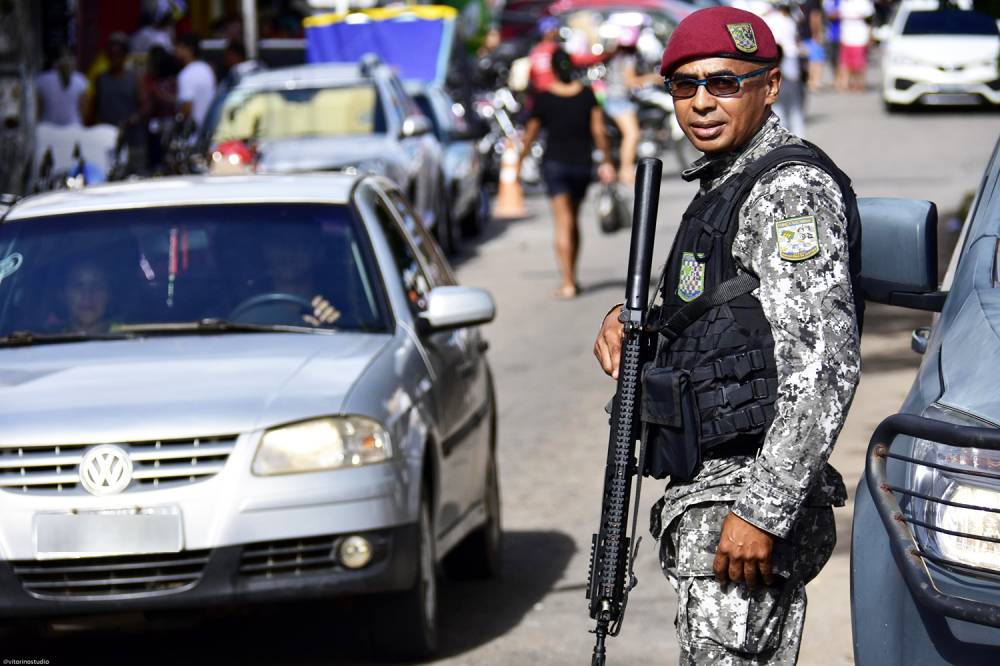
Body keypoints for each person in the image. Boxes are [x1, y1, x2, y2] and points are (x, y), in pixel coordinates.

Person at [593, 7, 863, 664]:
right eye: (685, 87)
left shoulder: (788, 189)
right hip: (710, 494)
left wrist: (763, 509)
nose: (702, 102)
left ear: (769, 87)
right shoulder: (726, 183)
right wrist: (634, 321)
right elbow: (713, 314)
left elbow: (824, 361)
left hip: (742, 499)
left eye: (724, 82)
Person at [520, 49, 616, 300]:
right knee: (572, 221)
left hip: (555, 165)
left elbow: (530, 133)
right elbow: (599, 131)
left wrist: (519, 159)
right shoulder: (586, 95)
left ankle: (568, 281)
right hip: (581, 165)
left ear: (551, 69)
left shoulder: (544, 98)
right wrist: (607, 161)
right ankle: (572, 276)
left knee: (563, 222)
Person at [602, 26, 663, 185]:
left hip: (613, 100)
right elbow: (630, 82)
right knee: (632, 135)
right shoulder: (629, 58)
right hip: (620, 101)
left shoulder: (616, 57)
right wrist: (653, 78)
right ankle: (625, 171)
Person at [90, 32, 147, 172]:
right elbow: (94, 109)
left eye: (118, 54)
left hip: (132, 140)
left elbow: (145, 105)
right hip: (107, 139)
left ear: (124, 56)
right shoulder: (101, 79)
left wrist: (134, 119)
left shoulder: (134, 78)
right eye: (111, 54)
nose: (114, 58)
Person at [764, 1, 806, 136]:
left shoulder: (787, 18)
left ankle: (789, 135)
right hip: (783, 61)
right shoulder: (778, 19)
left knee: (785, 104)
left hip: (786, 60)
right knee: (786, 104)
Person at [175, 32, 216, 131]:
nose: (175, 50)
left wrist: (177, 123)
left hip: (195, 133)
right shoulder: (207, 68)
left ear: (189, 49)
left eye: (179, 47)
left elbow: (187, 107)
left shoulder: (186, 74)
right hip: (210, 128)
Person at [36, 50, 88, 126]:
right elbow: (83, 110)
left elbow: (39, 110)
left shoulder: (42, 79)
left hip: (48, 129)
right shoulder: (80, 80)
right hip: (73, 128)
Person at [61, 261, 112, 334]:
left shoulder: (129, 336)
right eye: (78, 285)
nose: (87, 294)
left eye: (97, 285)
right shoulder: (47, 339)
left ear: (108, 295)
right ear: (64, 295)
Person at [838, 0, 874, 92]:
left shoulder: (864, 3)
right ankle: (849, 84)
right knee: (847, 64)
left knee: (859, 65)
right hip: (846, 37)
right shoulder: (844, 3)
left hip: (860, 38)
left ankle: (860, 85)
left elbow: (870, 21)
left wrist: (870, 35)